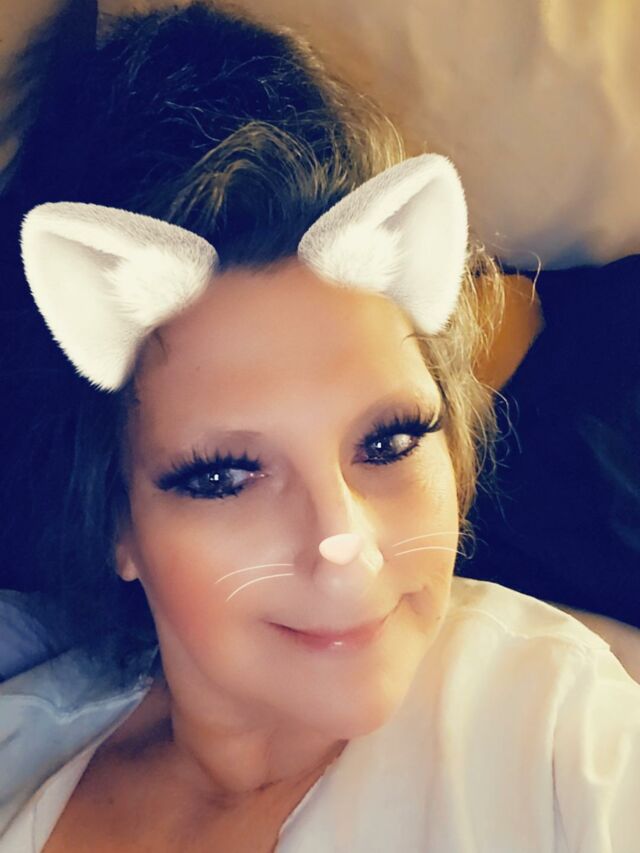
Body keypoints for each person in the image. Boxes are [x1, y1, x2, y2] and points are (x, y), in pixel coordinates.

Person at [0, 3, 639, 852]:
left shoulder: (561, 735)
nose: (346, 544)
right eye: (224, 476)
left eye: (390, 441)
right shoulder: (21, 738)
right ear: (116, 517)